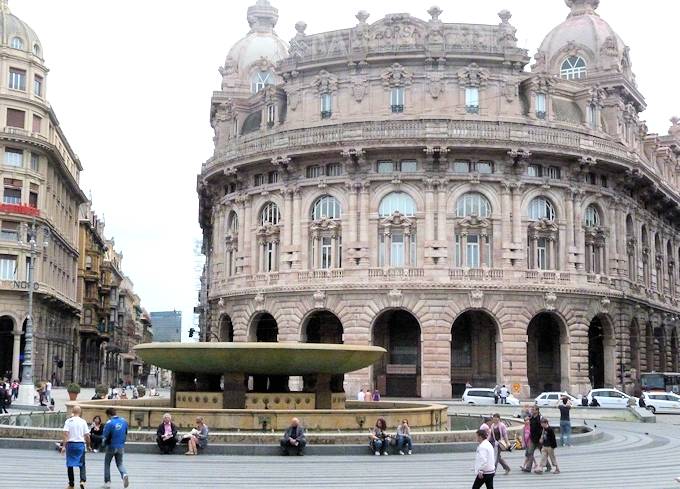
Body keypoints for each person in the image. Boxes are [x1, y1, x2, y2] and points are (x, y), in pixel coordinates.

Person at [61, 405, 90, 489]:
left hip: (70, 445)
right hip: (80, 445)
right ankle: (82, 481)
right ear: (80, 412)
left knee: (69, 464)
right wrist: (88, 445)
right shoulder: (83, 422)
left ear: (72, 412)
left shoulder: (68, 421)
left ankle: (71, 484)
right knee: (82, 464)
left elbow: (66, 434)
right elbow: (87, 435)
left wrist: (63, 446)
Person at [102, 407, 130, 488]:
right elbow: (125, 433)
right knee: (120, 463)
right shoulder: (124, 421)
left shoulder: (109, 423)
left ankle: (107, 482)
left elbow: (105, 436)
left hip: (111, 446)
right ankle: (124, 474)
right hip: (121, 446)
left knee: (107, 463)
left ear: (109, 415)